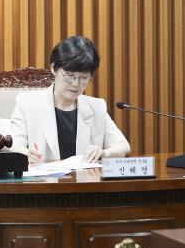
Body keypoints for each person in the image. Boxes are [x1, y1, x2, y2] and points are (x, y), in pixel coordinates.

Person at [9, 35, 130, 164]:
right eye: (70, 75)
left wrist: (104, 153)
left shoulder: (97, 107)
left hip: (84, 176)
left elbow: (123, 146)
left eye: (84, 77)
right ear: (53, 68)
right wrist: (25, 153)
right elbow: (13, 144)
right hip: (43, 176)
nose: (76, 84)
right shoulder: (27, 103)